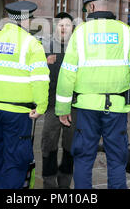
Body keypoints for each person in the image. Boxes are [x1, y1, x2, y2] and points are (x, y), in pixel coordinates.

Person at [55, 0, 130, 189]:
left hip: (86, 108)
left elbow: (67, 73)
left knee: (83, 157)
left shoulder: (81, 33)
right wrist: (128, 91)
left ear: (92, 7)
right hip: (116, 108)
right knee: (117, 158)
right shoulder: (124, 31)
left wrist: (62, 109)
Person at [0, 0, 50, 189]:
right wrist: (41, 107)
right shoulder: (32, 44)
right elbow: (40, 79)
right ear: (25, 21)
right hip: (17, 113)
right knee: (15, 160)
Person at [40, 12, 76, 189]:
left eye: (67, 25)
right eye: (60, 24)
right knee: (49, 146)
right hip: (52, 106)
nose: (63, 28)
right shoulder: (45, 46)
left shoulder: (78, 48)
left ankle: (65, 185)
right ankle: (49, 184)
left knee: (70, 148)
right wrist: (44, 62)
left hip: (74, 107)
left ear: (72, 28)